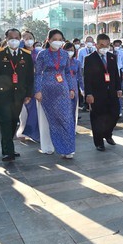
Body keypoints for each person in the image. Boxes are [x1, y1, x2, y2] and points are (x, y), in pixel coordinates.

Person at [0, 28, 34, 161]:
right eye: (11, 37)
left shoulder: (26, 55)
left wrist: (29, 94)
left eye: (17, 37)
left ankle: (7, 147)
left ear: (20, 39)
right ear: (6, 39)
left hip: (19, 95)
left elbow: (30, 77)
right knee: (5, 121)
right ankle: (9, 151)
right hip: (1, 95)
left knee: (13, 121)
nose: (14, 40)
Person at [35, 29, 76, 158]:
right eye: (54, 39)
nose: (57, 42)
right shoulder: (42, 54)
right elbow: (37, 74)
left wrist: (71, 89)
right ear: (48, 40)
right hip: (46, 90)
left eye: (60, 39)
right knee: (48, 120)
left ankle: (67, 149)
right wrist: (37, 90)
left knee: (66, 118)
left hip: (62, 89)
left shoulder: (64, 54)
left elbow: (68, 72)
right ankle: (48, 146)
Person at [84, 34, 122, 151]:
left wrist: (118, 88)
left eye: (107, 45)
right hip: (97, 94)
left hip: (111, 92)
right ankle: (99, 142)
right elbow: (87, 78)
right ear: (96, 45)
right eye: (101, 45)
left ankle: (108, 133)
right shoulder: (90, 58)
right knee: (97, 118)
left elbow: (116, 74)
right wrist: (88, 94)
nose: (104, 47)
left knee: (114, 114)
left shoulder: (112, 57)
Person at [15, 30, 41, 143]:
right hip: (24, 85)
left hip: (37, 83)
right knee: (26, 110)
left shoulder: (39, 53)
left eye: (30, 37)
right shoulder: (20, 54)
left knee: (36, 110)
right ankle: (24, 131)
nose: (28, 40)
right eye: (25, 38)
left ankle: (33, 132)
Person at [63, 42, 83, 133]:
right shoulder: (60, 62)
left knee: (73, 108)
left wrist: (82, 89)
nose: (69, 52)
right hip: (63, 86)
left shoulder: (77, 62)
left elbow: (80, 76)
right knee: (64, 108)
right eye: (67, 50)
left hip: (74, 87)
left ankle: (72, 128)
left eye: (71, 50)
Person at [78, 36, 96, 111]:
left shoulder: (95, 50)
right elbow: (79, 61)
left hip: (95, 69)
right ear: (85, 42)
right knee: (85, 86)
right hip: (84, 69)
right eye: (88, 41)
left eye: (91, 41)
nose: (89, 43)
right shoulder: (81, 51)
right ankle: (85, 104)